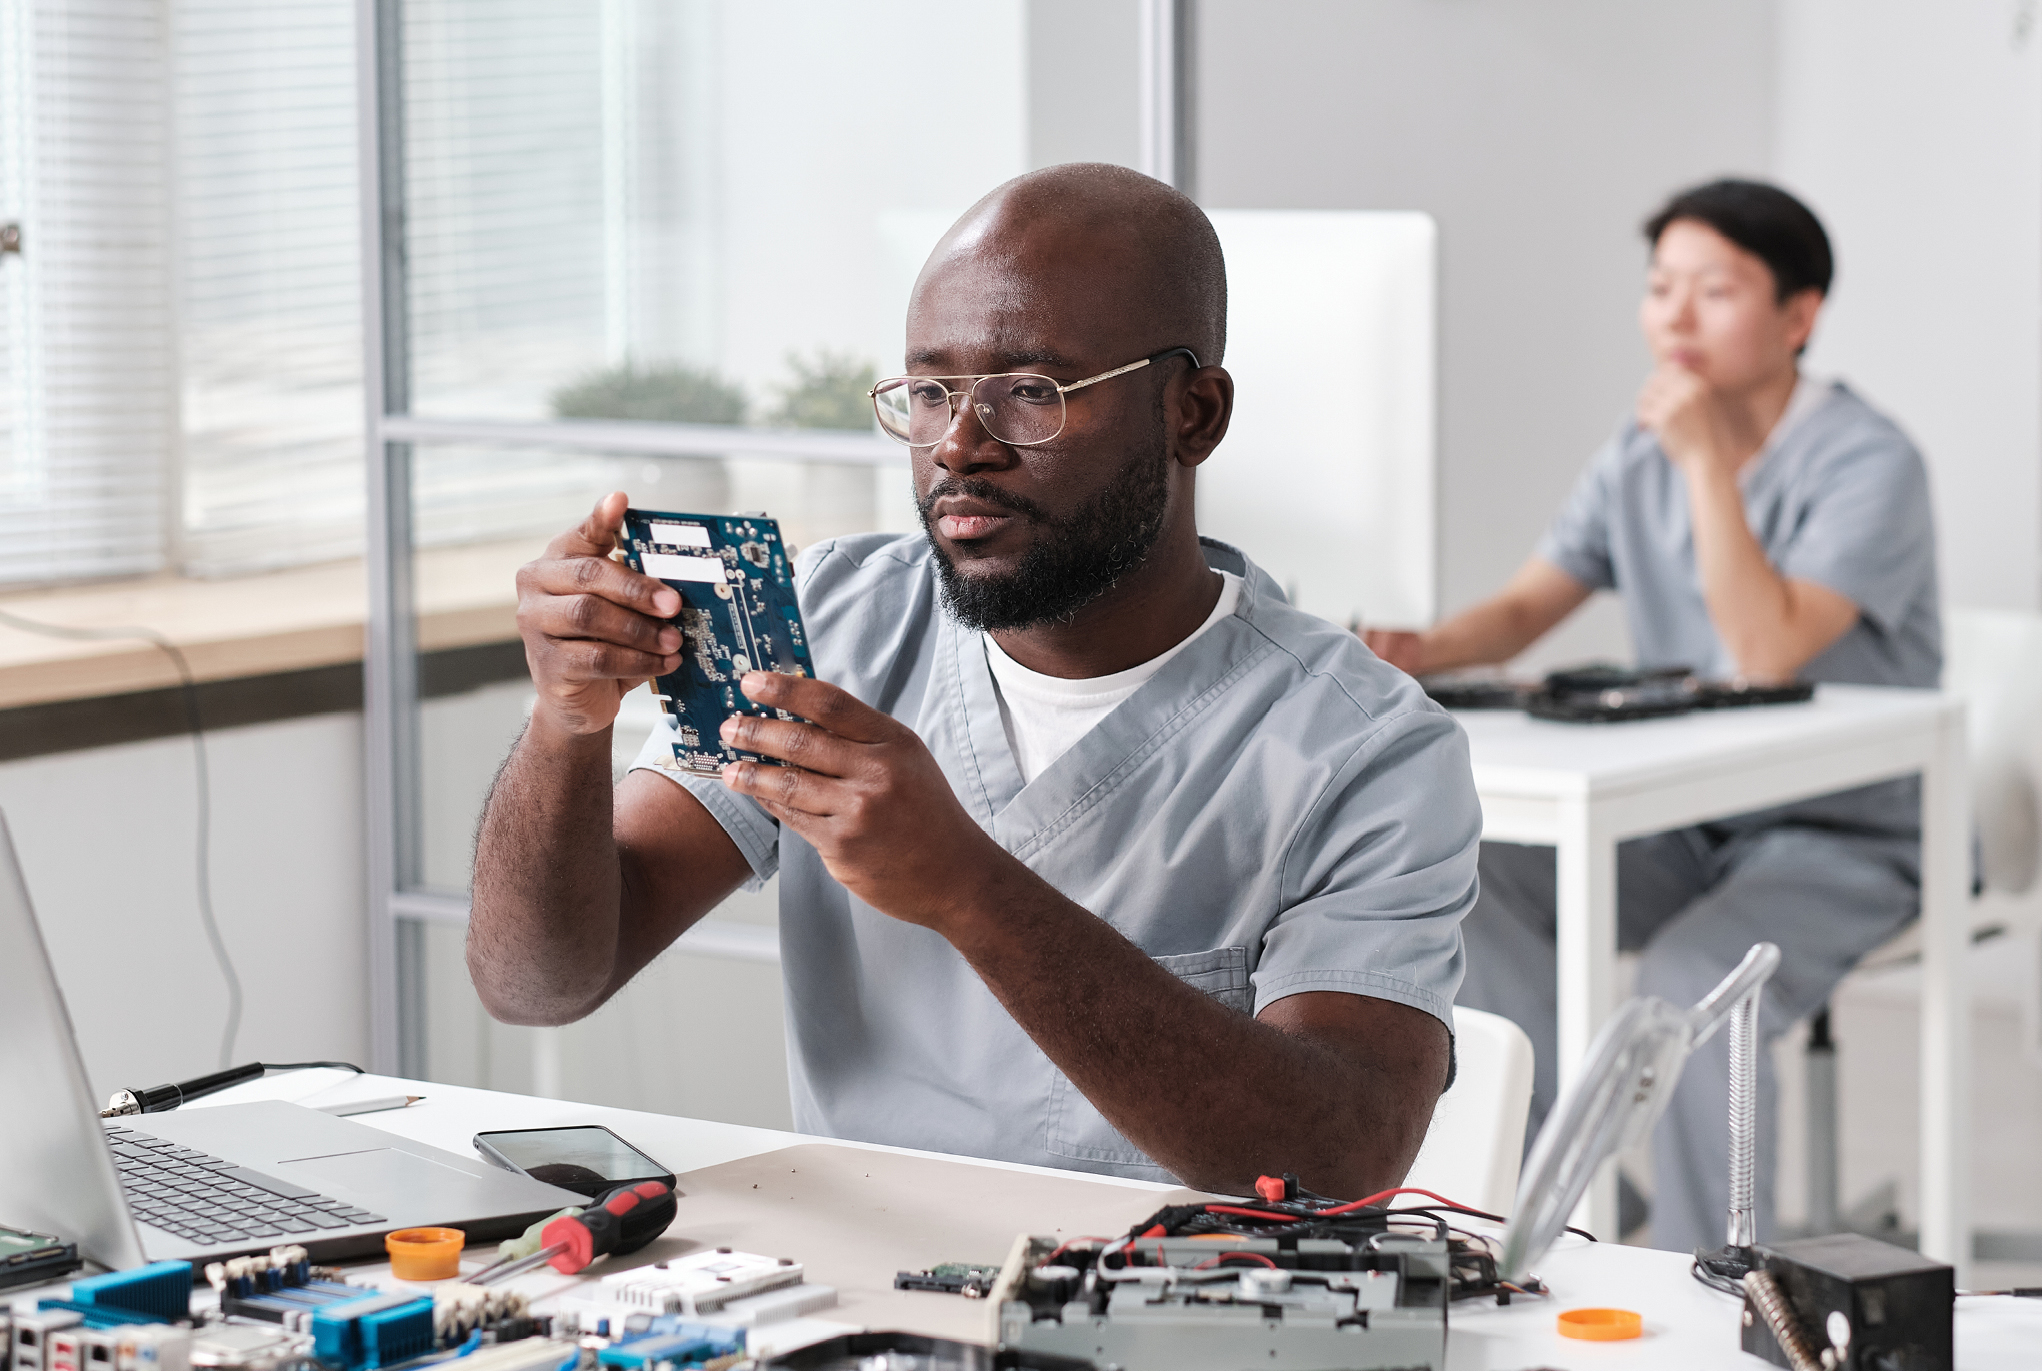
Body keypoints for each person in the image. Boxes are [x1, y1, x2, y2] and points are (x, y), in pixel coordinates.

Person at [469, 163, 1483, 1198]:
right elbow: (538, 981)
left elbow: (1336, 1158)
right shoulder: (831, 624)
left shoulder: (1367, 750)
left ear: (1192, 415)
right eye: (930, 393)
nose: (958, 446)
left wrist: (967, 888)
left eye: (1031, 394)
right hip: (849, 1300)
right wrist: (564, 724)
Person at [1366, 179, 1940, 1255]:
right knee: (1461, 880)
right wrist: (1420, 647)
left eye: (1711, 291)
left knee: (1694, 985)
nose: (1672, 318)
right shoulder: (1635, 456)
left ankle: (1706, 1272)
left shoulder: (1868, 462)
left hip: (1845, 837)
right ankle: (1570, 1206)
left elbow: (1763, 648)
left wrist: (1702, 464)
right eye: (1659, 288)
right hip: (1694, 825)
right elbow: (1530, 606)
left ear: (1796, 315)